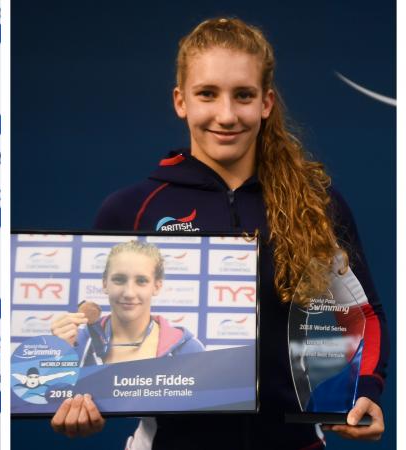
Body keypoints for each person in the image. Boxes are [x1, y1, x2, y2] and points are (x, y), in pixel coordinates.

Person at [51, 17, 388, 448]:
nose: (226, 115)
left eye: (243, 96)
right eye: (207, 94)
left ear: (266, 103)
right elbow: (90, 330)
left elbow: (365, 314)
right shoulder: (131, 209)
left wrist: (365, 393)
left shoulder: (315, 203)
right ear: (180, 101)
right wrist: (78, 398)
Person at [51, 241, 203, 366]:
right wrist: (55, 356)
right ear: (105, 283)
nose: (129, 293)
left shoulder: (188, 350)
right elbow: (44, 398)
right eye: (119, 280)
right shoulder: (76, 344)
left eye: (141, 281)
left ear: (157, 286)